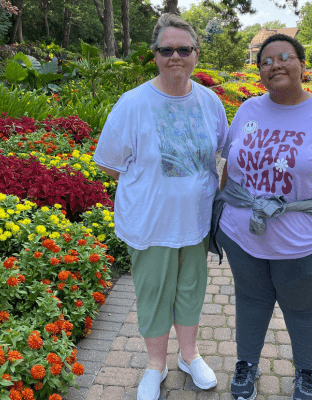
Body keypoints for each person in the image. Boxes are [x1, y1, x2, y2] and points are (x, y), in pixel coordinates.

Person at [211, 33, 312, 400]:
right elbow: (231, 167)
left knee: (304, 311)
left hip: (308, 244)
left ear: (303, 65)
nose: (275, 65)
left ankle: (306, 374)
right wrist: (223, 214)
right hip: (244, 238)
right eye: (266, 61)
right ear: (259, 73)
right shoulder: (249, 109)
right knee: (250, 301)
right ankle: (246, 365)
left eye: (285, 57)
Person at [93, 13, 228, 400]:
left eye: (183, 49)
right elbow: (109, 163)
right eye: (166, 49)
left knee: (190, 291)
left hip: (197, 223)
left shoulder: (209, 101)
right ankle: (156, 364)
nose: (175, 56)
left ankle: (189, 355)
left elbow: (222, 152)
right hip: (150, 224)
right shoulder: (133, 103)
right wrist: (153, 188)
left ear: (196, 54)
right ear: (154, 55)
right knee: (153, 294)